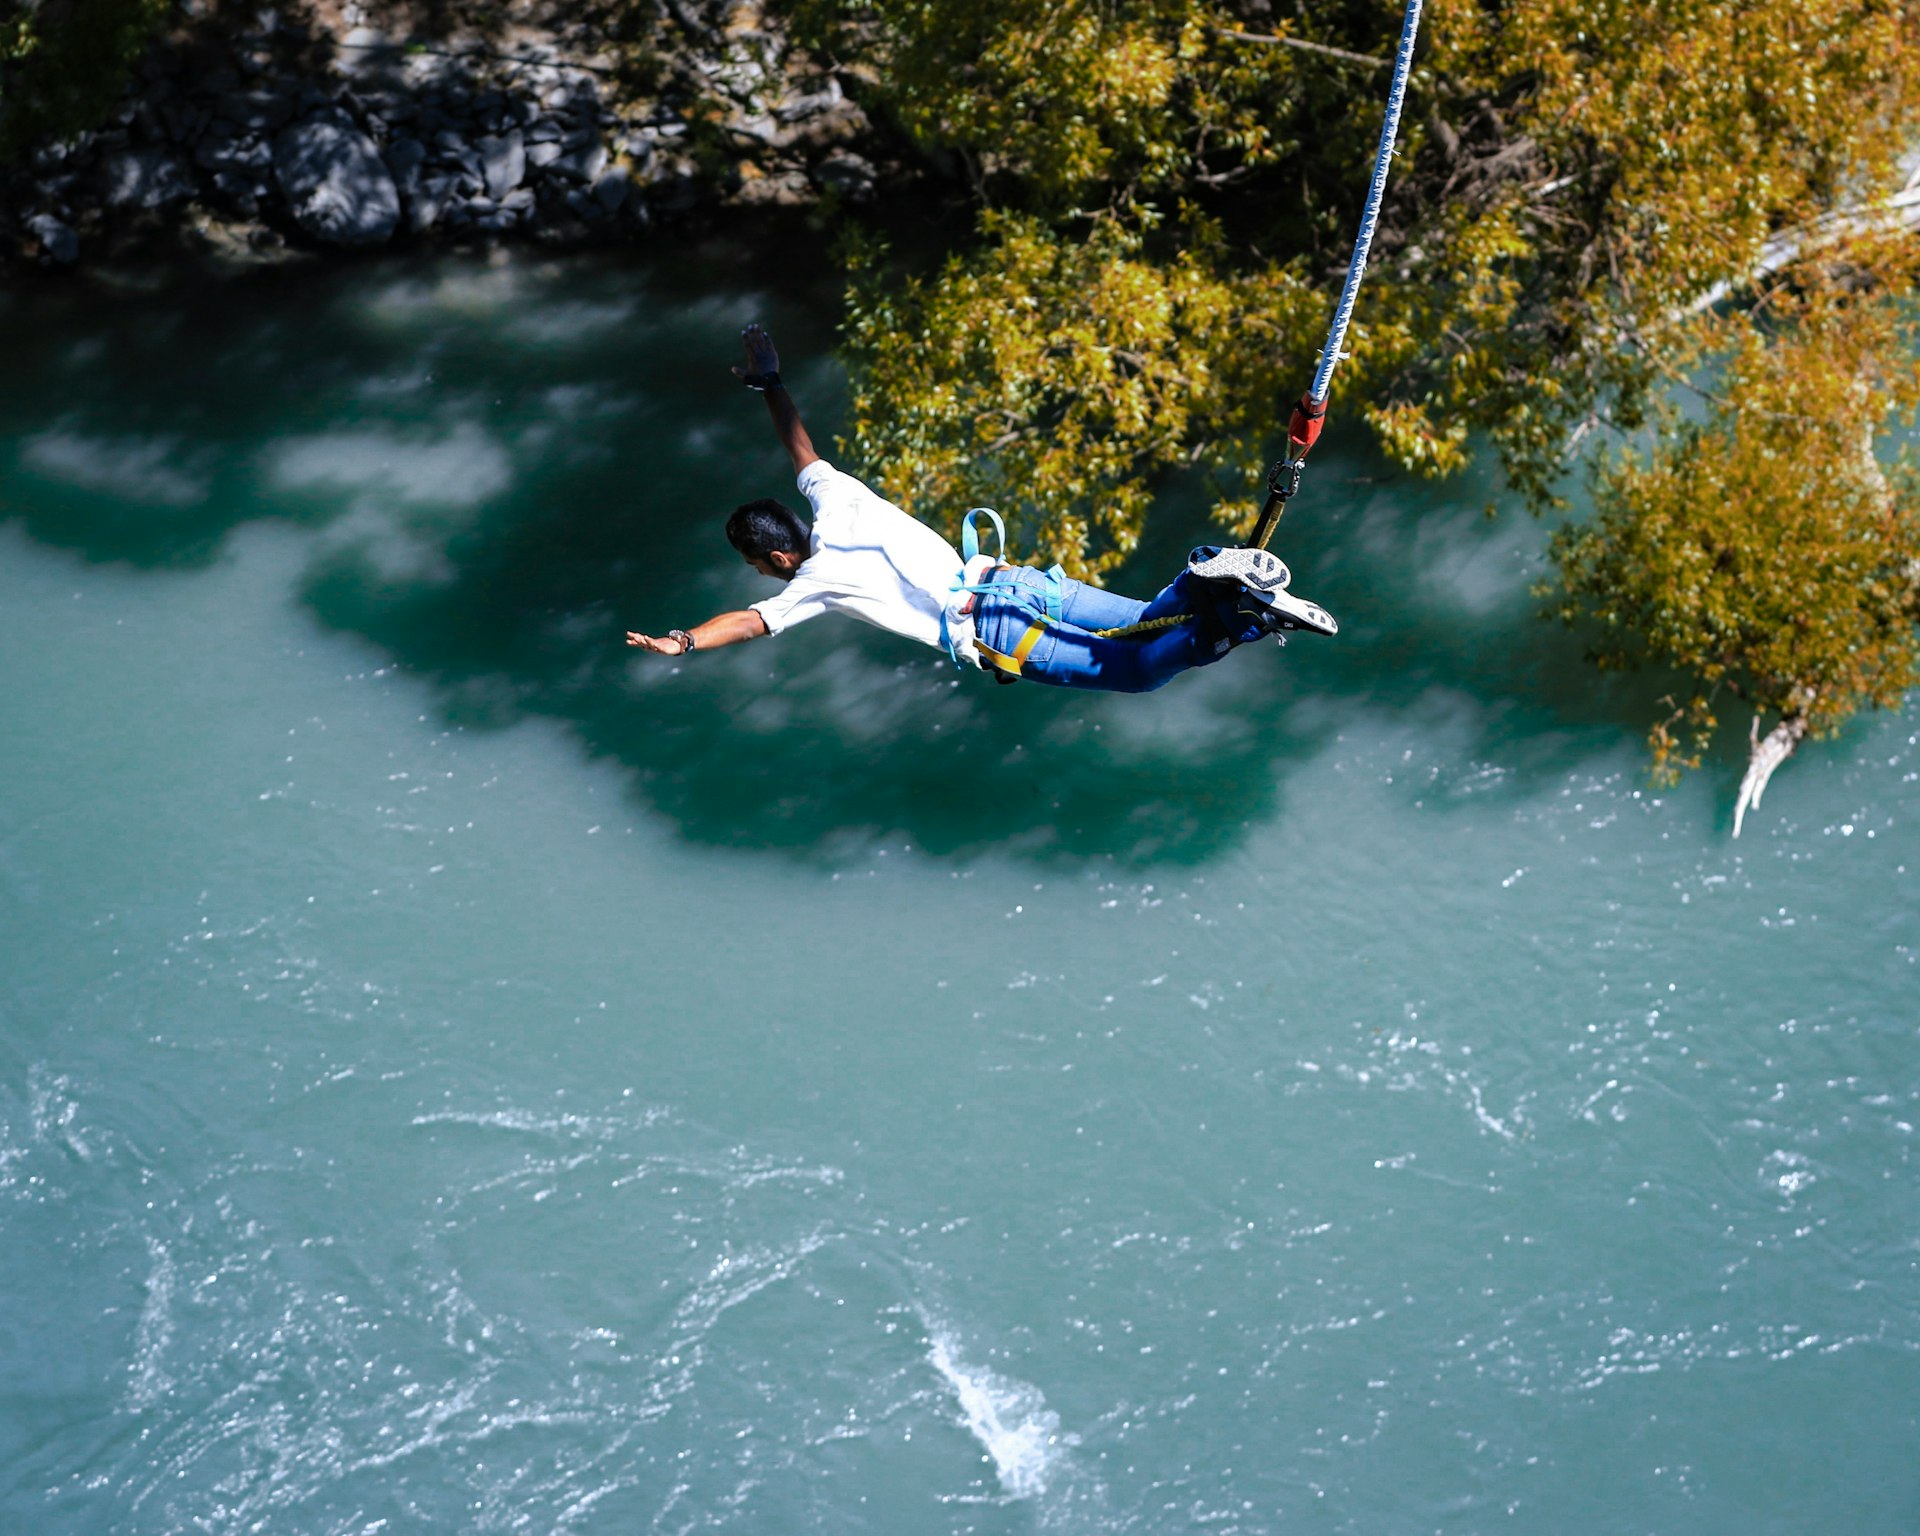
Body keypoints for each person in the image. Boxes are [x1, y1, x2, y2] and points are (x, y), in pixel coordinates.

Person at [624, 324, 1336, 691]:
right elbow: (799, 446)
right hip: (1009, 580)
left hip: (996, 627)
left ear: (778, 557)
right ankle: (1214, 577)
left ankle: (1240, 613)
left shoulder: (813, 584)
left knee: (1137, 670)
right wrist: (770, 381)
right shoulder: (834, 497)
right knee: (1150, 621)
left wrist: (682, 641)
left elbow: (749, 623)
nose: (759, 576)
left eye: (756, 564)